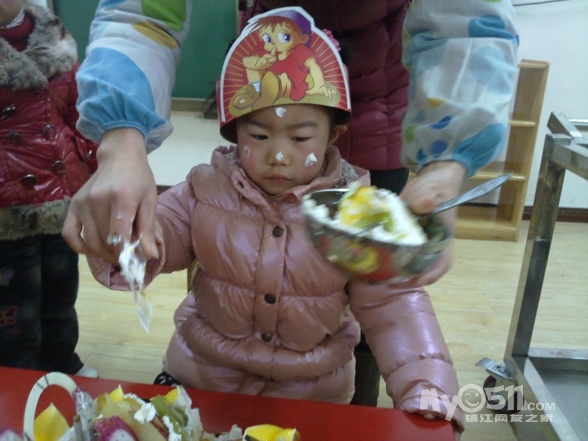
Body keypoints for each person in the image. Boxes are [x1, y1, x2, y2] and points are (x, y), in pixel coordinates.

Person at [63, 0, 519, 409]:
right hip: (202, 385)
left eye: (300, 138)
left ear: (335, 136)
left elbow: (395, 308)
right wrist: (122, 237)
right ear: (233, 132)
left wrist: (428, 390)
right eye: (259, 135)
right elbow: (155, 242)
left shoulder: (358, 214)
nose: (278, 155)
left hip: (309, 399)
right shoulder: (203, 191)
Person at [0, 0, 98, 377]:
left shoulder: (51, 33)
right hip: (9, 207)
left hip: (60, 194)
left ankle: (61, 363)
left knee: (61, 295)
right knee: (16, 310)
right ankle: (19, 379)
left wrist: (92, 164)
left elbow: (77, 110)